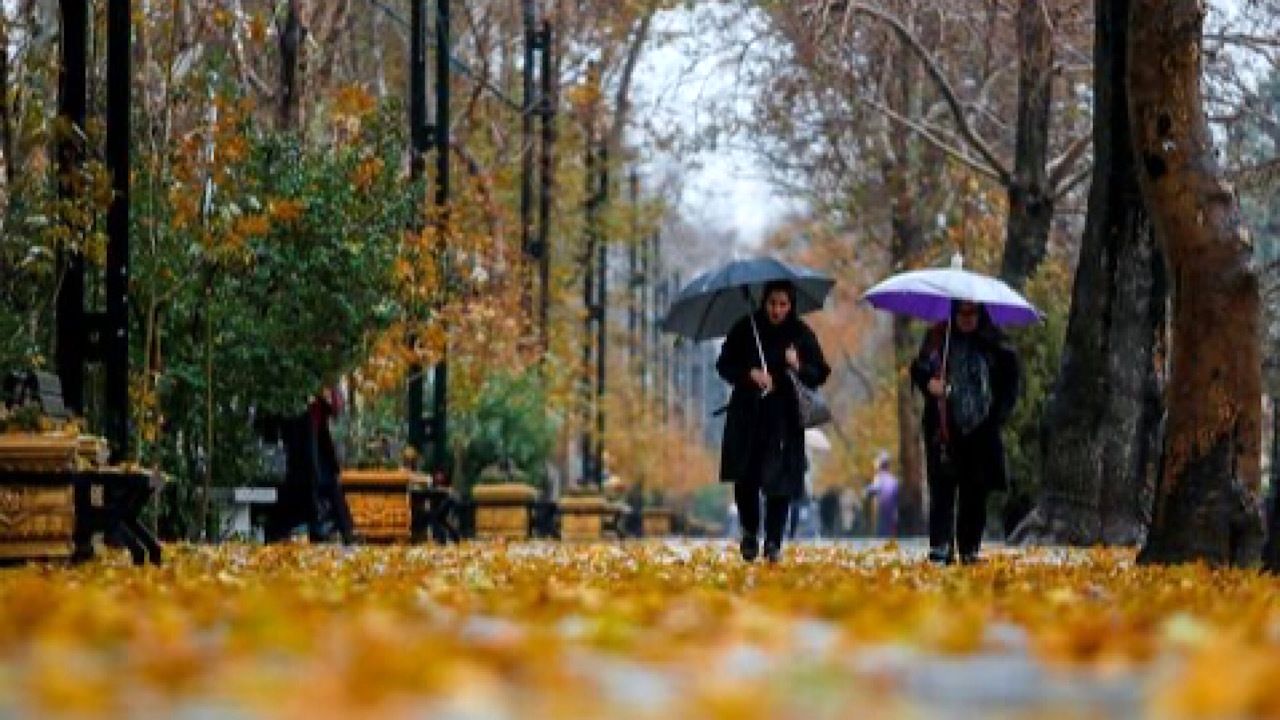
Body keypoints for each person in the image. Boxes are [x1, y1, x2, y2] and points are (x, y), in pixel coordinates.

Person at [717, 280, 830, 563]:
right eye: (772, 303)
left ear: (791, 305)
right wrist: (749, 374)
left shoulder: (800, 334)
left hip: (784, 418)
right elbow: (724, 364)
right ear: (763, 302)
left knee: (780, 483)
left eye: (783, 304)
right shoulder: (745, 329)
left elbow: (820, 372)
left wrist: (797, 366)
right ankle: (750, 533)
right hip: (748, 415)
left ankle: (774, 541)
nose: (777, 310)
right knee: (746, 479)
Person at [911, 300, 1019, 565]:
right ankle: (940, 545)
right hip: (943, 427)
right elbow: (919, 368)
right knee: (942, 489)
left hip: (981, 430)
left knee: (975, 491)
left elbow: (1010, 382)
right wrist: (929, 383)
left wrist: (997, 415)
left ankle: (969, 547)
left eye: (973, 313)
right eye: (962, 312)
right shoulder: (938, 337)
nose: (967, 319)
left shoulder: (995, 343)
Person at [864, 450, 900, 538]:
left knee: (882, 532)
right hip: (892, 511)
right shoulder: (893, 480)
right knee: (890, 531)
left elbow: (874, 488)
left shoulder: (879, 477)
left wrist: (866, 491)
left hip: (883, 509)